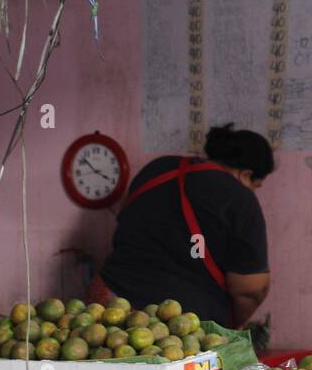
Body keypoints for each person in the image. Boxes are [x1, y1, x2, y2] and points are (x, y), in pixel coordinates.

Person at [90, 124, 273, 328]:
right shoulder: (240, 199)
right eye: (256, 186)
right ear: (245, 175)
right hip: (177, 326)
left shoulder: (155, 170)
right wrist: (229, 326)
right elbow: (251, 290)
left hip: (108, 304)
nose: (253, 192)